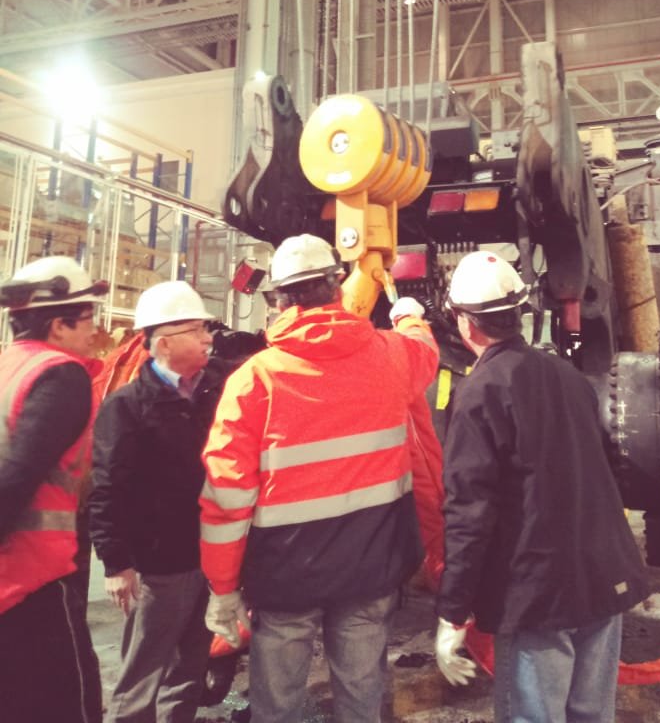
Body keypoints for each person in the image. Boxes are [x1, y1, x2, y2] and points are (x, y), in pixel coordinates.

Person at [200, 233, 439, 723]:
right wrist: (409, 316)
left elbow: (227, 495)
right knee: (361, 694)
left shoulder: (254, 380)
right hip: (370, 567)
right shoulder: (391, 355)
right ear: (336, 286)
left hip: (285, 577)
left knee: (277, 703)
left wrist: (222, 587)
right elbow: (425, 352)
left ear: (277, 300)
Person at [435, 250, 649, 723]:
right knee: (592, 714)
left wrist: (453, 611)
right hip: (602, 575)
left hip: (540, 596)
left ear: (465, 323)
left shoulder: (479, 394)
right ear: (519, 313)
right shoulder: (569, 377)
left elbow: (470, 514)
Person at [89, 280, 235, 723]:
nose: (208, 339)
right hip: (158, 566)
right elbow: (107, 488)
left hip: (212, 556)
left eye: (207, 329)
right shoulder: (127, 407)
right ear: (164, 341)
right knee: (142, 673)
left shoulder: (219, 391)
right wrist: (116, 563)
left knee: (189, 670)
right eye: (197, 330)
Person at [0, 255, 107, 723]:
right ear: (58, 325)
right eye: (87, 318)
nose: (95, 330)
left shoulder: (7, 367)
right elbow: (18, 475)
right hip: (34, 582)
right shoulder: (61, 375)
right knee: (68, 705)